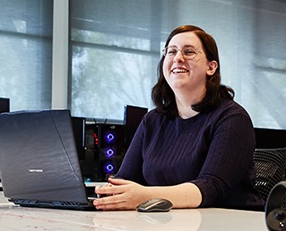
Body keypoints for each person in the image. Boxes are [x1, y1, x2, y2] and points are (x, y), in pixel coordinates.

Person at [94, 25, 264, 210]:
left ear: (211, 67)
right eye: (171, 52)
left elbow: (211, 188)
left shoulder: (232, 118)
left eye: (189, 52)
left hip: (228, 228)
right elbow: (124, 179)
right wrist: (108, 193)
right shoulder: (152, 120)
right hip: (167, 223)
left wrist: (143, 196)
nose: (178, 58)